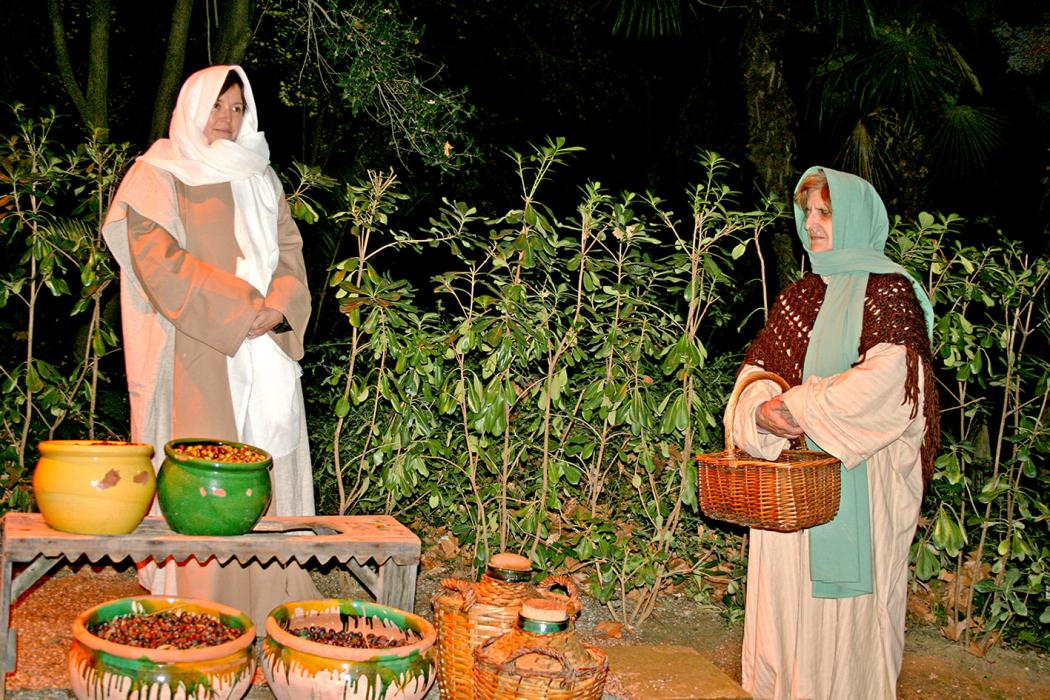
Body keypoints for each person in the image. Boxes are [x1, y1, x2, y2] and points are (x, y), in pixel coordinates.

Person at [102, 65, 319, 630]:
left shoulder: (262, 176)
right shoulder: (159, 173)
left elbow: (288, 251)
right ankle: (200, 601)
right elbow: (157, 259)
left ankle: (272, 593)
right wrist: (241, 308)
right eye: (217, 107)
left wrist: (279, 305)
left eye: (237, 109)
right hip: (198, 344)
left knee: (264, 455)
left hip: (264, 347)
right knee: (207, 469)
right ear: (193, 108)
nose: (227, 120)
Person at [724, 166, 939, 699]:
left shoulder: (891, 295)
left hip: (858, 491)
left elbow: (890, 385)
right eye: (809, 213)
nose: (813, 224)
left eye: (827, 212)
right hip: (790, 499)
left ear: (858, 219)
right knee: (788, 615)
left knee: (847, 630)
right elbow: (754, 375)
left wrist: (796, 405)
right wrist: (758, 412)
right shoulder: (799, 298)